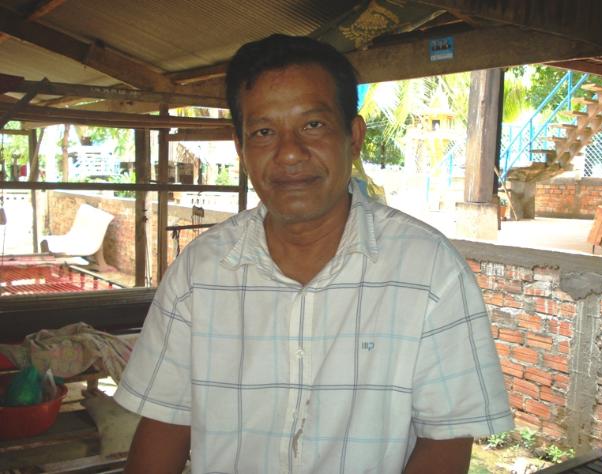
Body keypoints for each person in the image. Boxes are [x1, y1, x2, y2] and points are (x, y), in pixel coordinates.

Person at [114, 34, 513, 474]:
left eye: (313, 125)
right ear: (241, 147)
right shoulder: (199, 273)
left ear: (353, 136)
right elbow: (166, 423)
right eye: (264, 132)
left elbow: (447, 439)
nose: (289, 153)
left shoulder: (430, 270)